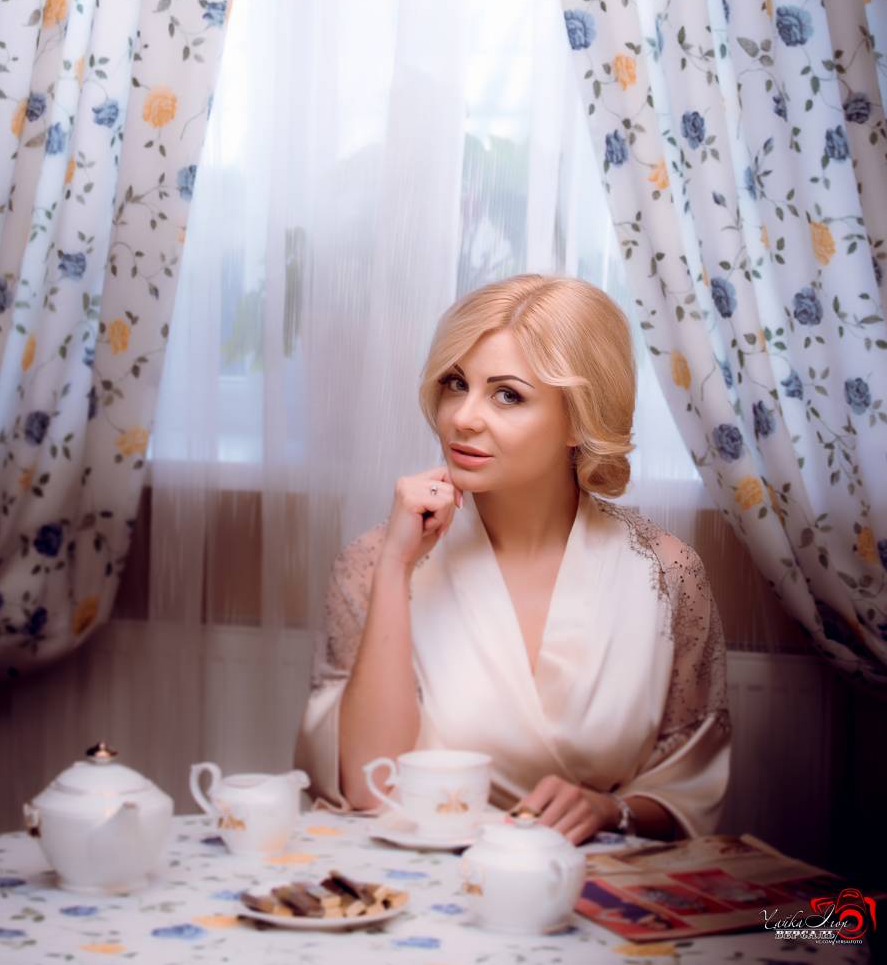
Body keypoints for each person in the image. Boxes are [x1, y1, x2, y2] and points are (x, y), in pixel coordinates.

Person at [295, 275, 731, 843]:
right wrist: (395, 569)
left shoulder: (666, 575)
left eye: (507, 395)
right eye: (456, 384)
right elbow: (366, 787)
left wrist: (609, 810)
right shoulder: (375, 561)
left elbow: (687, 788)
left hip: (589, 882)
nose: (463, 417)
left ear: (579, 419)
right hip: (420, 877)